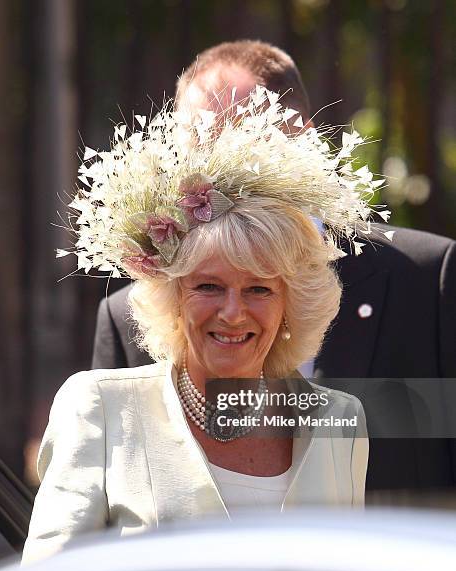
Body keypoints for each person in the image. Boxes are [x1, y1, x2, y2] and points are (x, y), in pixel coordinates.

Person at [23, 87, 373, 564]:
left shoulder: (339, 421)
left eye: (259, 290)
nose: (232, 312)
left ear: (293, 306)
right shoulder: (101, 408)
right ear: (173, 298)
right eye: (209, 287)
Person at [92, 41, 456, 494]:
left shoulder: (426, 279)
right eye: (195, 150)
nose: (211, 176)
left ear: (302, 138)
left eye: (234, 147)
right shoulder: (134, 312)